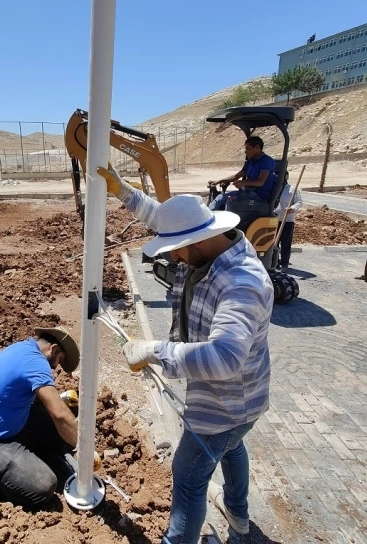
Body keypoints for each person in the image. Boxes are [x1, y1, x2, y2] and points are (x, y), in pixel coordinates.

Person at [99, 166, 273, 544]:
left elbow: (225, 359)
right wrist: (123, 191)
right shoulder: (206, 249)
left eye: (175, 249)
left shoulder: (241, 284)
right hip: (243, 404)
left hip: (225, 404)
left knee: (189, 478)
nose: (173, 257)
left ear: (196, 241)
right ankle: (239, 518)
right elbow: (163, 217)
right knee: (232, 448)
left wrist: (156, 350)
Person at [0, 326, 84, 508]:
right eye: (59, 360)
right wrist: (84, 448)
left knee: (56, 431)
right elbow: (60, 414)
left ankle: (28, 457)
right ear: (53, 349)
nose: (55, 367)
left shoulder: (22, 349)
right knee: (44, 487)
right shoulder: (37, 363)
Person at [208, 136, 278, 212]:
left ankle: (229, 223)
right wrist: (218, 181)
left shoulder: (266, 161)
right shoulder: (250, 161)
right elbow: (236, 176)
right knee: (220, 198)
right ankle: (206, 218)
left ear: (257, 147)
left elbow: (260, 182)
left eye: (248, 149)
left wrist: (243, 182)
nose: (245, 152)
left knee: (231, 202)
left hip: (258, 196)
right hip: (247, 193)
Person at [274, 178, 303, 271]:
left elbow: (299, 202)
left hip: (287, 220)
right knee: (274, 243)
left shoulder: (292, 189)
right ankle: (275, 262)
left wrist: (292, 208)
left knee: (286, 242)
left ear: (286, 176)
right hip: (274, 220)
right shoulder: (274, 187)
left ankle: (284, 263)